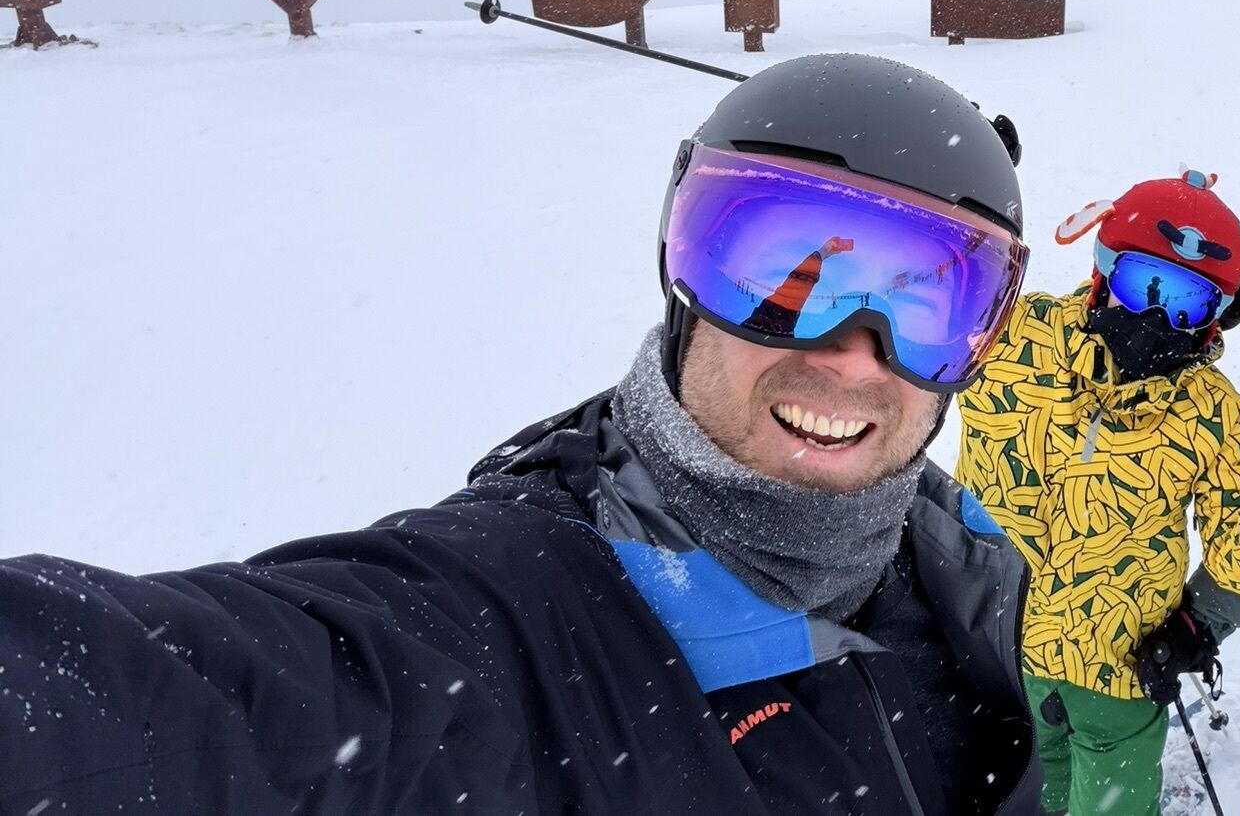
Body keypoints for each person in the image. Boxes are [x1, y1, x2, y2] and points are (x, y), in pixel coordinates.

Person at [0, 53, 1046, 816]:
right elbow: (190, 706)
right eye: (784, 281)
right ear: (684, 276)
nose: (855, 356)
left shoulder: (958, 568)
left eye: (924, 309)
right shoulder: (497, 621)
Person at [956, 170, 1240, 816]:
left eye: (1186, 304)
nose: (1156, 318)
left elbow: (1233, 548)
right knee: (1009, 798)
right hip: (994, 650)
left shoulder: (1208, 409)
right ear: (1103, 272)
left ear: (1214, 319)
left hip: (1119, 667)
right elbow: (917, 321)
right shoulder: (1015, 338)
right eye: (1142, 285)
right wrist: (958, 213)